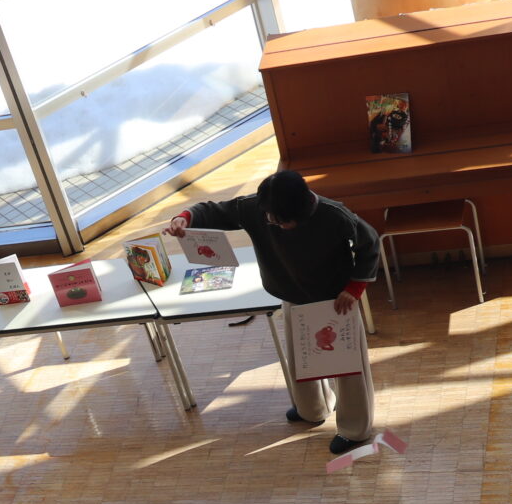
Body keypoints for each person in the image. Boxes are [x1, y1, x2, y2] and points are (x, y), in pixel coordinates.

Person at [164, 168, 382, 454]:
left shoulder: (334, 215)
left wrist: (353, 289)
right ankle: (312, 409)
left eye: (281, 221)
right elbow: (215, 210)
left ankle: (355, 428)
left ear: (303, 209)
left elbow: (370, 244)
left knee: (347, 369)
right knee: (301, 359)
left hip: (335, 302)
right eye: (271, 217)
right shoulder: (259, 208)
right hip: (291, 296)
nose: (273, 223)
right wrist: (185, 217)